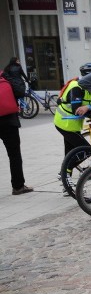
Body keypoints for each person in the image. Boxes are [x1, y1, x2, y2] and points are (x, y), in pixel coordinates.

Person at [54, 62, 91, 157]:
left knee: (70, 153)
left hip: (74, 125)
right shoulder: (76, 87)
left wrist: (88, 107)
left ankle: (65, 172)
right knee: (88, 151)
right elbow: (77, 111)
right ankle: (71, 170)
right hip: (65, 124)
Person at [1, 57, 32, 194]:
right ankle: (18, 186)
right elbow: (20, 92)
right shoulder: (5, 76)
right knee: (14, 155)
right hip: (9, 121)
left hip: (8, 120)